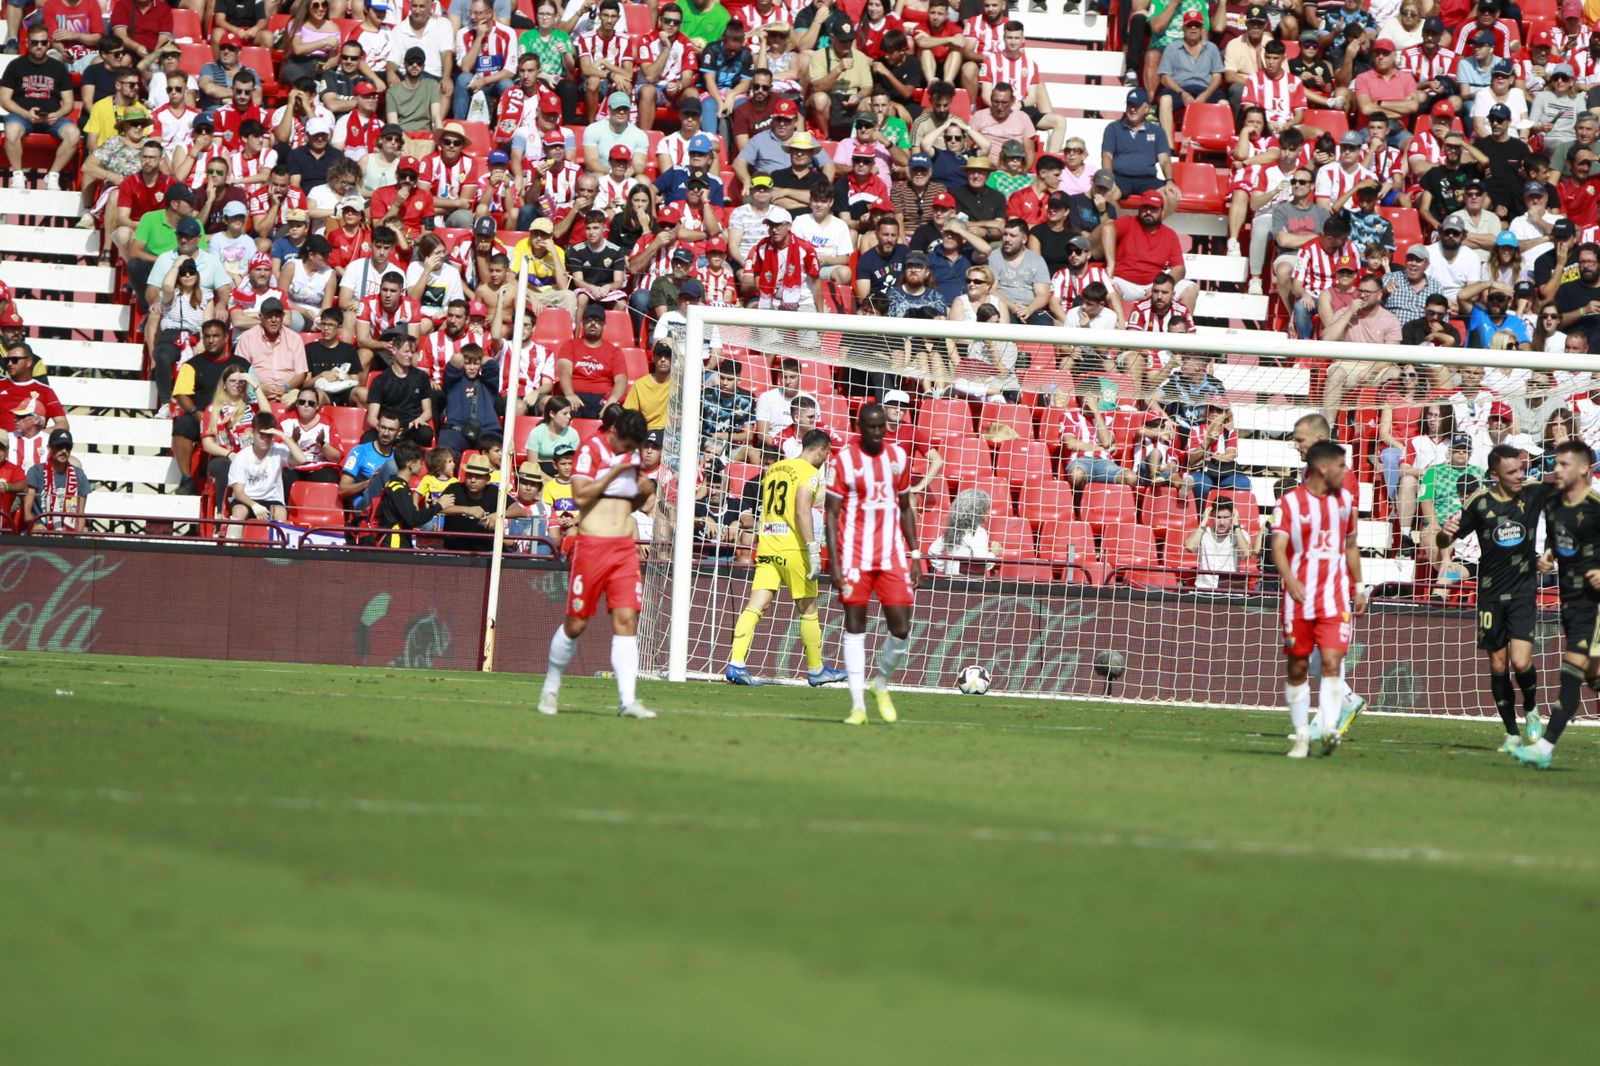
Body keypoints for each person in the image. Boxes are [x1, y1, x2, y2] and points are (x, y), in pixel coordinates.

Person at [537, 407, 657, 718]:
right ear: (614, 433)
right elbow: (580, 496)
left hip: (624, 548)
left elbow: (631, 500)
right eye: (627, 446)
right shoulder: (591, 449)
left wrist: (643, 492)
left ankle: (627, 701)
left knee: (627, 619)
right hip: (592, 547)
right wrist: (615, 472)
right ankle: (550, 687)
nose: (630, 452)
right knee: (576, 624)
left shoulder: (632, 454)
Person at [1437, 443, 1551, 751]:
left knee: (1521, 661)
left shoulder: (1533, 493)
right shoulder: (1479, 502)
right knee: (1498, 666)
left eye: (1521, 469)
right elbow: (1445, 539)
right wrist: (1445, 532)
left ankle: (1531, 707)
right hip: (1489, 595)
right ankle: (1512, 733)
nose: (1519, 476)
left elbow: (1569, 498)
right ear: (1495, 475)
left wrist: (1549, 554)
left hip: (1523, 591)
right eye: (1511, 472)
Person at [724, 428, 850, 686]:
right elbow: (802, 510)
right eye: (827, 453)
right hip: (794, 549)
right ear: (820, 450)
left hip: (768, 546)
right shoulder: (809, 472)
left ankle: (736, 663)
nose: (827, 457)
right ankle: (816, 669)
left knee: (755, 606)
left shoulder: (774, 470)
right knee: (808, 608)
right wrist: (813, 548)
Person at [1272, 439, 1368, 758]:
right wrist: (1290, 580)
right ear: (1323, 468)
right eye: (1341, 466)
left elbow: (1351, 545)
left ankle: (1328, 726)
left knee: (1331, 661)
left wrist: (1359, 586)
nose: (1346, 471)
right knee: (1299, 666)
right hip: (1300, 597)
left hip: (1335, 597)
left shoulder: (1345, 501)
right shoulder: (1290, 502)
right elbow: (1277, 547)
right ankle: (1304, 733)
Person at [825, 402, 919, 726]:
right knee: (855, 625)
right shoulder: (844, 461)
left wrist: (915, 553)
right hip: (854, 555)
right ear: (860, 427)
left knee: (901, 628)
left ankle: (880, 683)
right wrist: (834, 562)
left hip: (891, 555)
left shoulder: (898, 457)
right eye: (873, 427)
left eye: (882, 427)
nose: (879, 432)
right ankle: (858, 707)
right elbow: (831, 514)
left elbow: (905, 507)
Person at [1509, 439, 1600, 769]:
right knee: (1593, 677)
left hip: (1595, 606)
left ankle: (1544, 748)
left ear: (1584, 469)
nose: (1556, 469)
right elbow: (1558, 538)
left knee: (1570, 673)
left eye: (1563, 464)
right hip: (1571, 602)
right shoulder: (1555, 504)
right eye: (1555, 463)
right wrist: (1548, 555)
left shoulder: (1596, 506)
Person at [0, 27, 81, 190]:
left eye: (43, 43)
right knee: (12, 129)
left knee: (74, 133)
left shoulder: (58, 68)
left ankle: (53, 175)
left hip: (52, 118)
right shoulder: (16, 65)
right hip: (22, 116)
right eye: (35, 43)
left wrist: (57, 114)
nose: (39, 46)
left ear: (48, 43)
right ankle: (18, 174)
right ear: (27, 43)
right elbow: (4, 99)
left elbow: (68, 103)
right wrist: (26, 114)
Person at [225, 411, 306, 536]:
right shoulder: (241, 457)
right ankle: (231, 545)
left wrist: (283, 436)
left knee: (280, 513)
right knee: (239, 511)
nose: (265, 439)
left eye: (269, 435)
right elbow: (238, 492)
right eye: (261, 434)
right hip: (247, 500)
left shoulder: (278, 450)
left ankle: (278, 548)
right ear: (253, 432)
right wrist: (254, 505)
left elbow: (301, 460)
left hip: (271, 500)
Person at [372, 440, 443, 548]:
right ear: (411, 464)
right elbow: (413, 519)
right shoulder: (398, 489)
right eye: (420, 463)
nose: (422, 466)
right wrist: (438, 506)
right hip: (394, 545)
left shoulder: (396, 485)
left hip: (399, 543)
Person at [22, 428, 89, 532]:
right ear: (49, 448)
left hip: (69, 533)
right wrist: (35, 526)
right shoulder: (35, 471)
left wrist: (76, 536)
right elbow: (27, 512)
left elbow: (80, 516)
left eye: (68, 447)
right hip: (41, 532)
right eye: (59, 446)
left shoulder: (79, 475)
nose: (64, 451)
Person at [1184, 496, 1251, 592]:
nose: (1222, 522)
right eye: (1218, 517)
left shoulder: (1240, 534)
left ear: (1232, 517)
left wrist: (1236, 525)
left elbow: (1247, 553)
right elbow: (1190, 547)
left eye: (1226, 517)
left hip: (1230, 590)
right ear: (1211, 516)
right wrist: (1203, 523)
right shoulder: (1203, 533)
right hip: (1204, 589)